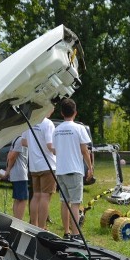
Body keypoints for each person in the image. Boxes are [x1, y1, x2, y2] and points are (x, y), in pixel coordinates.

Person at [52, 98, 94, 238]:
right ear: (75, 113)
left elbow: (54, 150)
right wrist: (90, 167)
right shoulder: (79, 128)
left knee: (64, 203)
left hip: (61, 170)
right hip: (74, 169)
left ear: (62, 113)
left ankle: (66, 232)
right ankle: (76, 234)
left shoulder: (57, 130)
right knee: (75, 204)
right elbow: (84, 150)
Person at [23, 110, 56, 229]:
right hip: (47, 165)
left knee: (36, 195)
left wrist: (34, 146)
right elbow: (50, 146)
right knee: (45, 196)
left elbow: (23, 142)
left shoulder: (30, 123)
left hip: (34, 166)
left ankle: (33, 225)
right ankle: (42, 227)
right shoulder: (48, 124)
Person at [3, 134, 29, 219]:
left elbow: (9, 155)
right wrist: (8, 170)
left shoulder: (16, 138)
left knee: (18, 198)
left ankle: (15, 219)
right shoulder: (20, 140)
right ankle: (18, 221)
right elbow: (13, 156)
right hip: (20, 173)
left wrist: (8, 170)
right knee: (22, 199)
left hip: (16, 172)